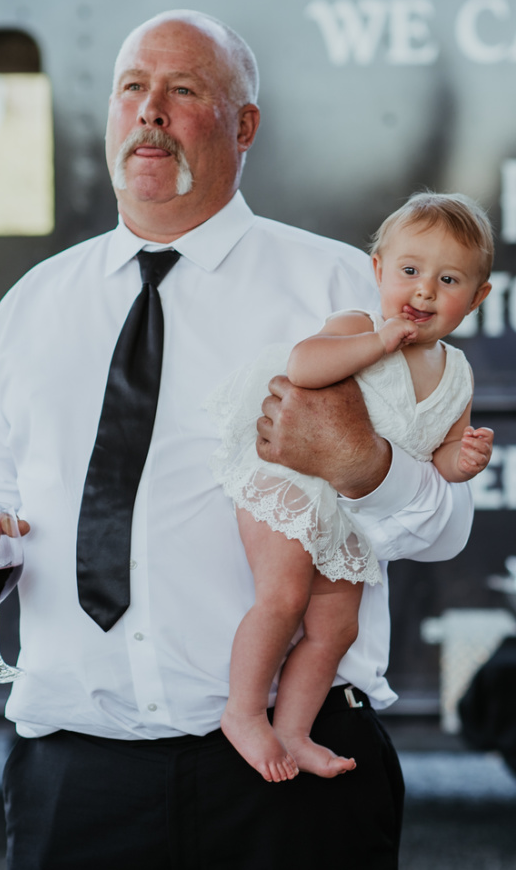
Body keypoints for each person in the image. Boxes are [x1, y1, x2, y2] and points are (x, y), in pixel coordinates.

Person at [0, 10, 475, 870]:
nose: (150, 112)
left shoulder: (345, 293)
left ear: (244, 125)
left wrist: (360, 464)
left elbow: (446, 528)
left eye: (184, 91)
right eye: (132, 89)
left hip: (292, 779)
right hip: (75, 782)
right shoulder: (31, 307)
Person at [207, 191, 493, 784]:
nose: (423, 291)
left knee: (339, 626)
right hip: (288, 483)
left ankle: (293, 729)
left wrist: (460, 461)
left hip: (347, 514)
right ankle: (243, 712)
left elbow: (436, 457)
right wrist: (377, 343)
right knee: (283, 599)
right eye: (410, 272)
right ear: (378, 271)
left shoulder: (457, 375)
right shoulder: (358, 325)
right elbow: (305, 366)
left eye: (448, 280)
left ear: (478, 297)